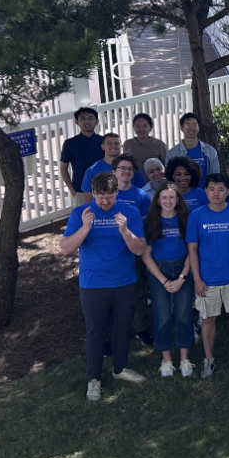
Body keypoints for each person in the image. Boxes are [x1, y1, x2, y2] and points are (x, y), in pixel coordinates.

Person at [60, 172, 148, 401]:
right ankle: (94, 380)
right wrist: (85, 229)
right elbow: (65, 248)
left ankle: (120, 369)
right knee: (96, 331)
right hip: (93, 284)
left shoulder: (129, 212)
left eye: (109, 196)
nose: (105, 202)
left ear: (117, 193)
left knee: (122, 328)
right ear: (93, 194)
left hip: (124, 282)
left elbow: (139, 249)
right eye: (100, 197)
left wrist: (125, 231)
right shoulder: (81, 213)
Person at [187, 172, 229, 379]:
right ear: (205, 191)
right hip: (207, 279)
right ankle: (209, 359)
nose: (216, 193)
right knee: (208, 319)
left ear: (227, 191)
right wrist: (197, 279)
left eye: (220, 189)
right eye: (211, 189)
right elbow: (192, 249)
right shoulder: (197, 215)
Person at [140, 181, 195, 377]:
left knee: (183, 314)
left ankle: (184, 359)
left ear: (178, 200)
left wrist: (182, 277)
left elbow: (192, 251)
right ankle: (166, 361)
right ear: (157, 201)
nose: (168, 201)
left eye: (172, 197)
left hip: (182, 268)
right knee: (162, 315)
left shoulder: (186, 220)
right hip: (159, 271)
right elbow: (146, 255)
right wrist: (163, 280)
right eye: (164, 197)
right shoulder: (151, 222)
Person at [60, 107, 103, 204]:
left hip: (105, 189)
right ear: (76, 122)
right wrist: (73, 191)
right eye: (82, 118)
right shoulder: (69, 143)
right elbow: (63, 169)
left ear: (97, 121)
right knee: (84, 218)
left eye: (91, 118)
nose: (87, 121)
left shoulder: (104, 141)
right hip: (80, 190)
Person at [167, 112, 221, 180]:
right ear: (181, 128)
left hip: (205, 190)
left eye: (194, 125)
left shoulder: (210, 151)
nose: (191, 128)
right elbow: (169, 179)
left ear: (198, 128)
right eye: (187, 125)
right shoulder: (172, 154)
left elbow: (216, 176)